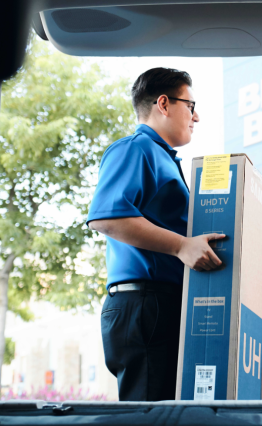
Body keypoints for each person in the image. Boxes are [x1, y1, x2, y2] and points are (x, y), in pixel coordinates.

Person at [87, 67, 225, 401]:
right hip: (146, 304)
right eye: (190, 106)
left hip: (162, 304)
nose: (197, 116)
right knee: (150, 425)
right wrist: (181, 246)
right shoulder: (136, 149)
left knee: (167, 420)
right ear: (164, 104)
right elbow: (106, 218)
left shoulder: (165, 159)